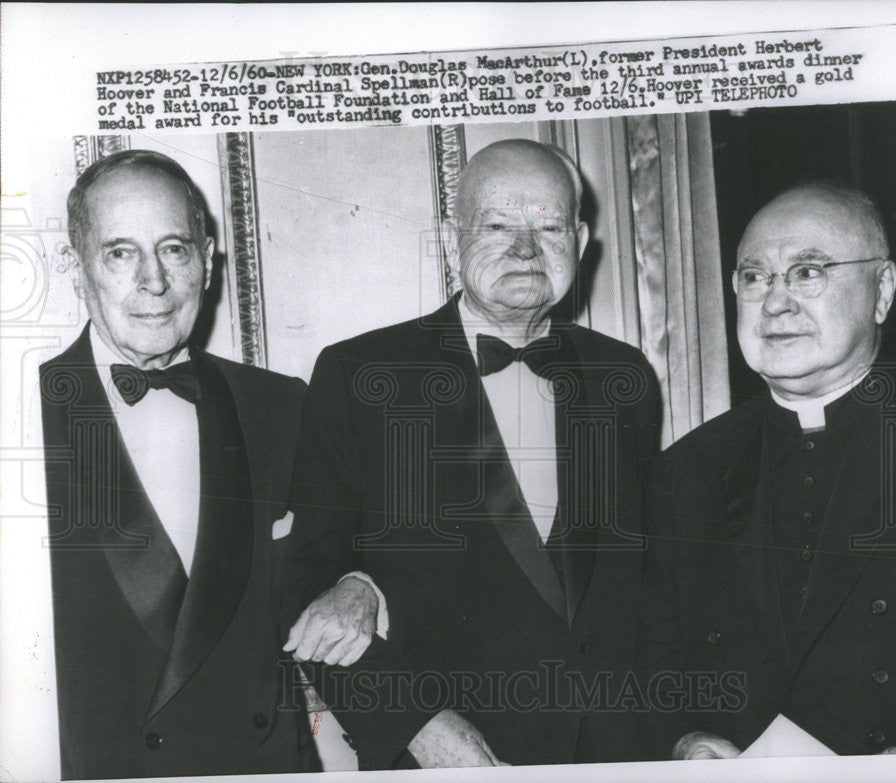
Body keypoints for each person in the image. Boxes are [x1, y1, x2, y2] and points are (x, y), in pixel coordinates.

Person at [281, 139, 663, 768]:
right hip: (442, 756)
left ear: (581, 238)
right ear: (448, 239)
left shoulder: (624, 378)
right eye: (497, 225)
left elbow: (647, 584)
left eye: (548, 226)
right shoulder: (361, 374)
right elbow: (308, 588)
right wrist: (417, 726)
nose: (525, 248)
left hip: (611, 754)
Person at [39, 150, 333, 778]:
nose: (153, 282)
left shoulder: (279, 406)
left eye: (173, 249)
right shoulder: (20, 413)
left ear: (208, 261)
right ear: (74, 268)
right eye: (120, 253)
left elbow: (333, 564)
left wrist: (357, 586)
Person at [638, 181, 896, 759]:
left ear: (882, 290)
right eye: (754, 278)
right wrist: (686, 739)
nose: (775, 303)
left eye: (808, 272)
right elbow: (651, 654)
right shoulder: (684, 472)